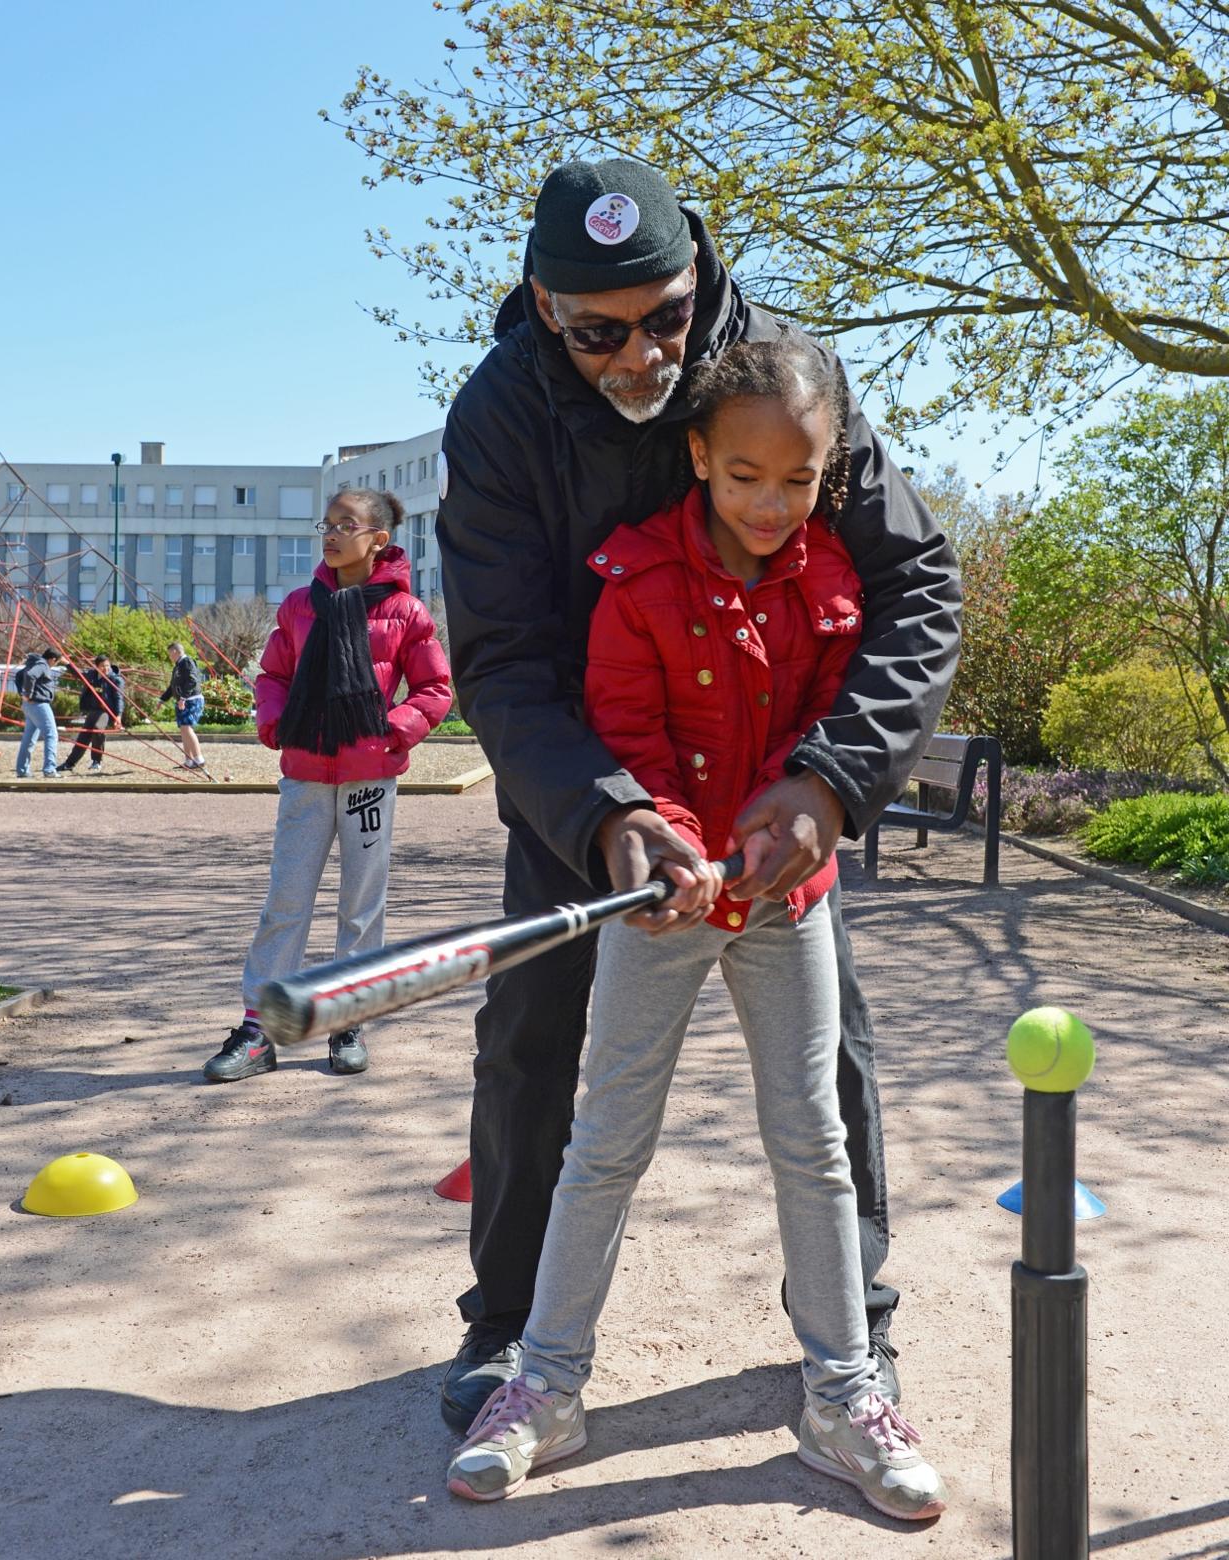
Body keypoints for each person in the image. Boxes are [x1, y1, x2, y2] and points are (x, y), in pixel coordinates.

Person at [436, 157, 961, 1430]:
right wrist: (609, 811)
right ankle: (511, 1330)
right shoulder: (500, 414)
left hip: (780, 790)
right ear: (542, 305)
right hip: (588, 779)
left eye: (664, 317)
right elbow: (501, 661)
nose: (638, 355)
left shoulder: (789, 374)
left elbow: (918, 588)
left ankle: (854, 1330)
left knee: (829, 1063)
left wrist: (832, 782)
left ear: (700, 277)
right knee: (530, 1042)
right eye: (596, 331)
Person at [201, 488, 452, 1083]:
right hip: (306, 775)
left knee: (361, 907)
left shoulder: (407, 613)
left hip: (369, 778)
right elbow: (273, 675)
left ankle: (349, 1020)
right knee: (286, 902)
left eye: (347, 524)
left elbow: (434, 691)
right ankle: (260, 1031)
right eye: (327, 523)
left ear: (379, 539)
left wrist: (391, 732)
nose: (332, 533)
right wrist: (274, 722)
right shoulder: (298, 606)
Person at [58, 654, 124, 774]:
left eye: (107, 665)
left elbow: (119, 698)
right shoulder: (92, 675)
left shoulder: (115, 679)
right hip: (93, 711)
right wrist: (67, 663)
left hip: (106, 712)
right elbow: (78, 674)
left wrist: (118, 716)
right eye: (103, 666)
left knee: (98, 730)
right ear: (97, 667)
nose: (106, 668)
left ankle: (96, 761)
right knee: (83, 737)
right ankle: (69, 763)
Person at [14, 648, 63, 778]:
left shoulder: (33, 663)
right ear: (53, 659)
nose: (54, 665)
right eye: (56, 662)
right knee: (51, 734)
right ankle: (49, 769)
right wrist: (28, 694)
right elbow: (31, 675)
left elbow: (19, 676)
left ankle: (22, 770)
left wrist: (23, 694)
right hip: (39, 704)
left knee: (29, 738)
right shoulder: (42, 665)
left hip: (29, 706)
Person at [161, 641, 206, 768]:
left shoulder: (187, 662)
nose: (170, 656)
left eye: (170, 653)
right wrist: (162, 700)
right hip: (184, 700)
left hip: (192, 699)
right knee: (183, 730)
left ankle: (199, 759)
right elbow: (172, 686)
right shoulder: (178, 666)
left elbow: (192, 680)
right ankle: (189, 760)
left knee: (187, 728)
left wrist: (183, 698)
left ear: (175, 651)